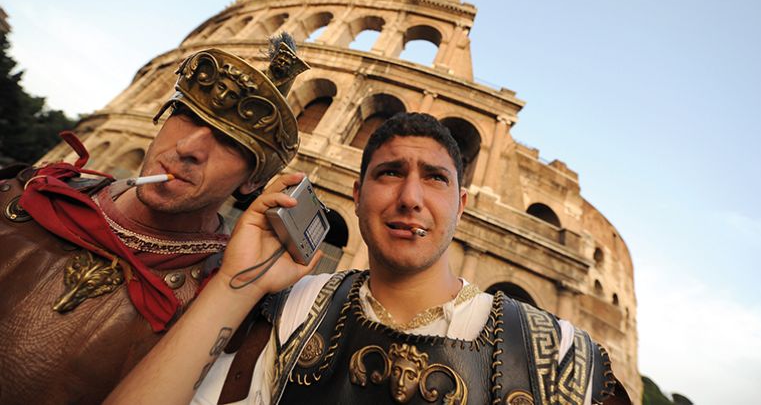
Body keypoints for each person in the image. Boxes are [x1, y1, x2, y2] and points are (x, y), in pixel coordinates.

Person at [107, 112, 632, 405]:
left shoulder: (561, 356)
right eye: (389, 174)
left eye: (434, 178)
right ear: (355, 196)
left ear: (462, 206)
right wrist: (235, 286)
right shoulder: (288, 312)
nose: (410, 198)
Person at [0, 34, 308, 404]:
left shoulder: (228, 302)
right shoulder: (24, 194)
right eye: (186, 116)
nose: (188, 148)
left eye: (230, 143)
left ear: (253, 181)